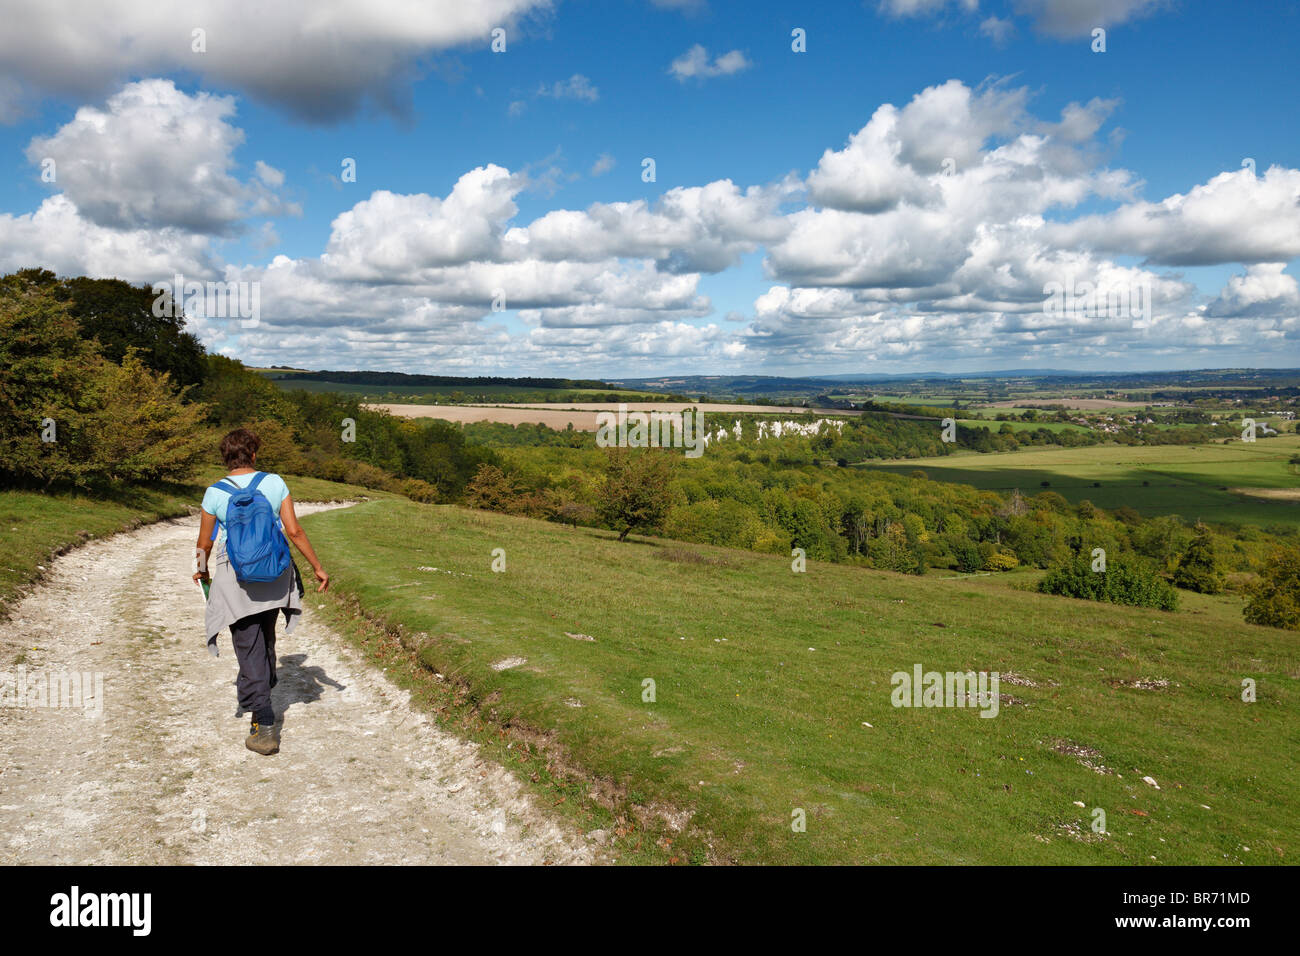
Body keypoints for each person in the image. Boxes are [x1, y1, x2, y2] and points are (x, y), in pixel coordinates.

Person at [193, 428, 329, 755]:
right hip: (274, 570)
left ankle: (263, 721)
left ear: (226, 458)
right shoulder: (274, 483)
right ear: (253, 454)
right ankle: (260, 693)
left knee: (247, 642)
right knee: (265, 637)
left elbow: (205, 542)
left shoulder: (214, 492)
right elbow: (293, 530)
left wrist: (201, 568)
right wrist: (316, 566)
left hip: (234, 573)